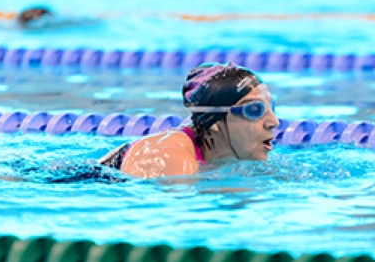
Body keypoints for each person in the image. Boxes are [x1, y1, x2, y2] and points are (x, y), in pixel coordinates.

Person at [98, 61, 280, 179]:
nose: (274, 122)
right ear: (215, 121)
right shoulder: (170, 157)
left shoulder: (210, 139)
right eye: (255, 110)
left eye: (271, 107)